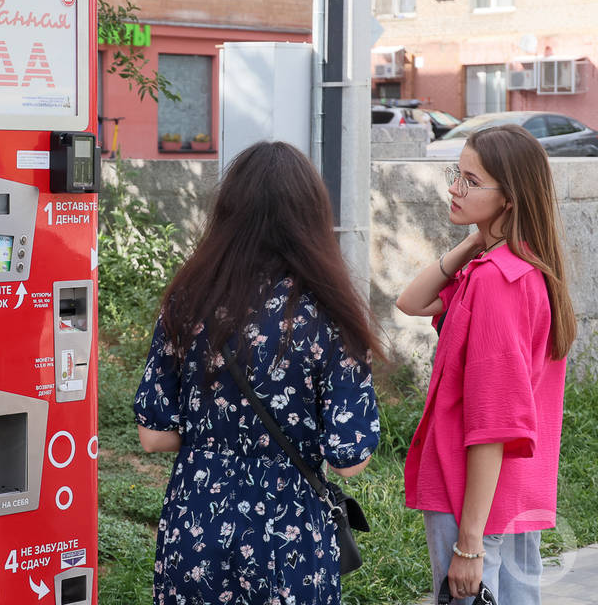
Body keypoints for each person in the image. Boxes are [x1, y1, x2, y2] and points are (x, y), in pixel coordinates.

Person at [134, 141, 382, 605]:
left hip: (196, 522)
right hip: (288, 537)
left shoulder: (187, 302)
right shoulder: (327, 316)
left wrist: (216, 444)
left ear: (228, 214)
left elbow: (154, 435)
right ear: (310, 218)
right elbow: (350, 459)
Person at [396, 125, 575, 605]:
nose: (455, 187)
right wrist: (478, 240)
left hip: (471, 501)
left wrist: (469, 543)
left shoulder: (499, 282)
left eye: (471, 181)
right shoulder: (511, 269)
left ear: (510, 198)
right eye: (457, 174)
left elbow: (494, 423)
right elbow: (411, 301)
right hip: (508, 496)